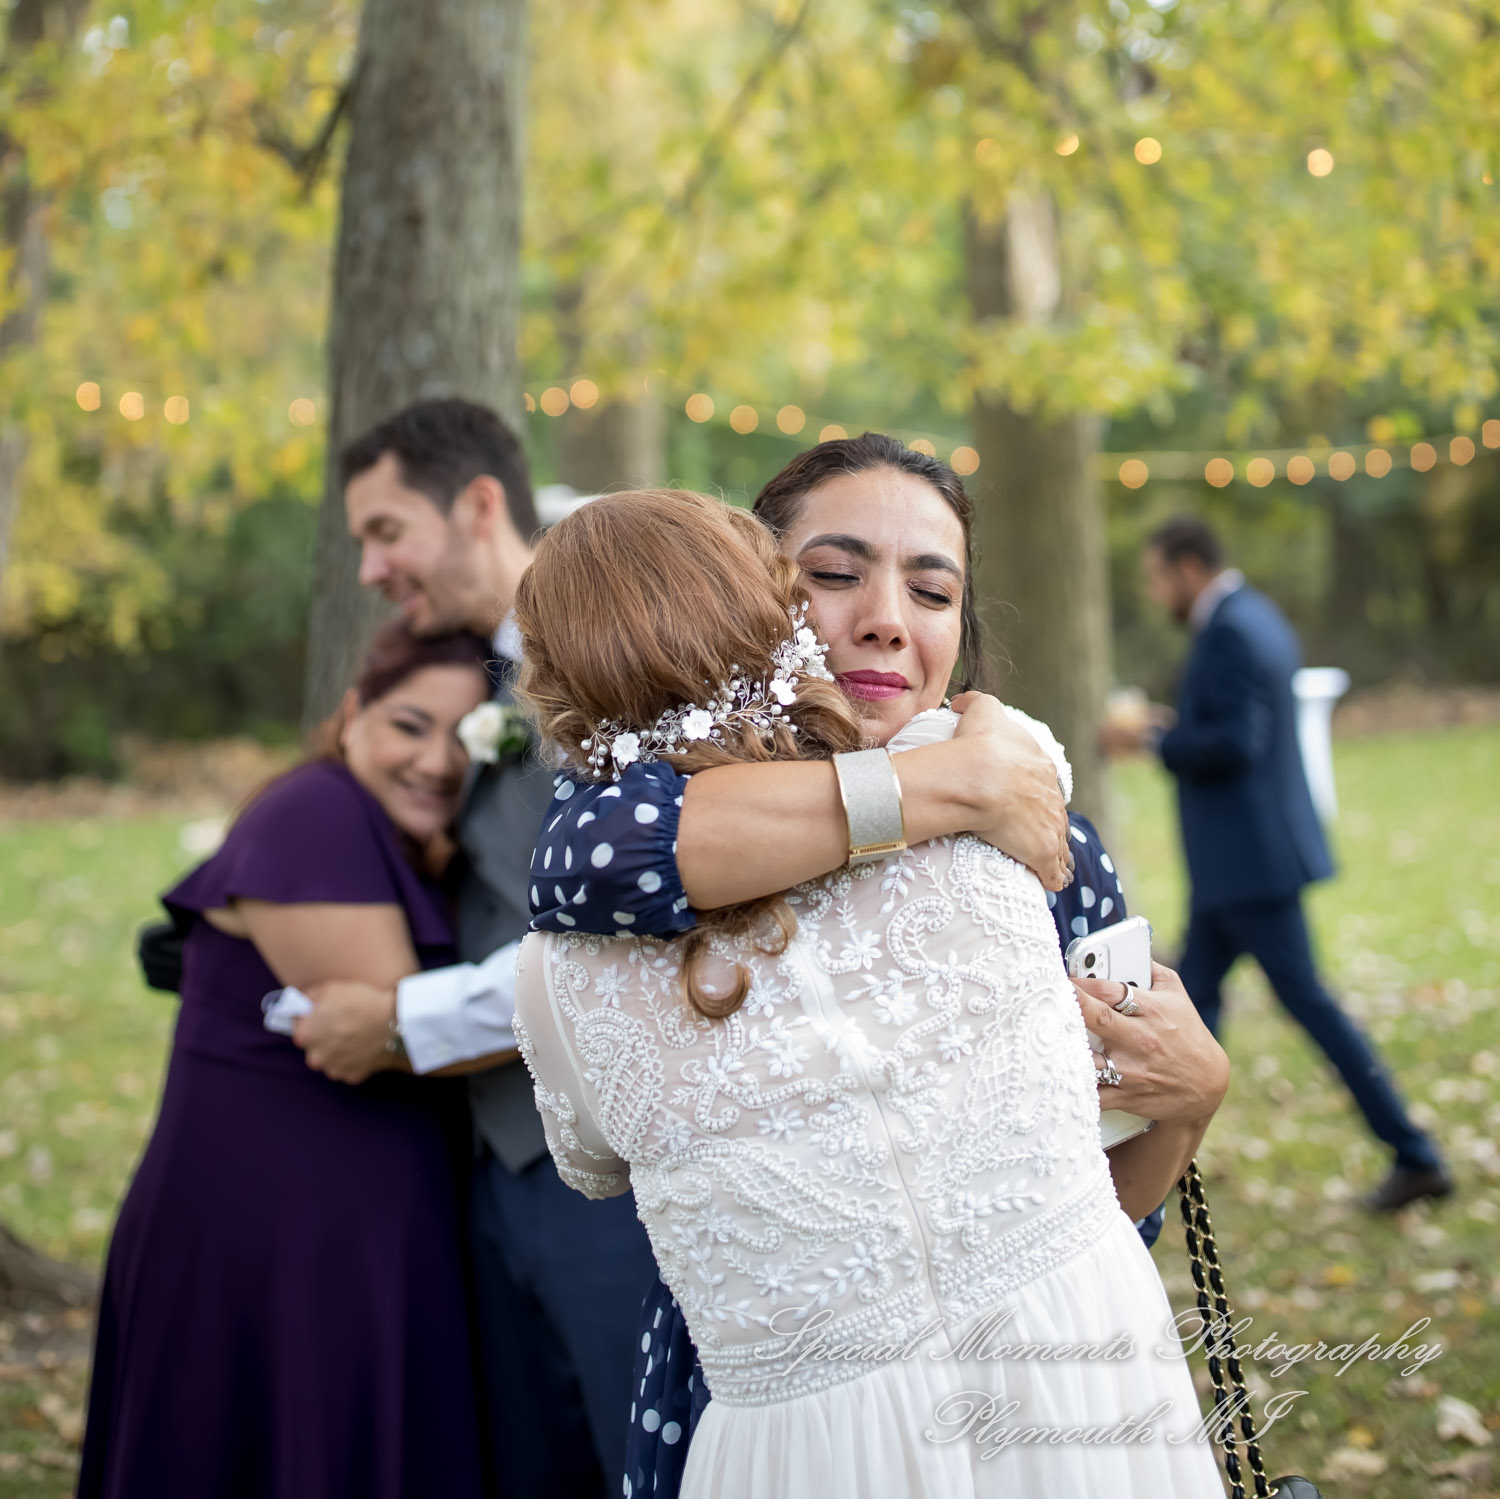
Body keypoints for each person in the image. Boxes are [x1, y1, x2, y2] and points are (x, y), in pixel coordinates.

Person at [525, 435, 1229, 1496]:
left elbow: (1102, 1204)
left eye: (932, 589)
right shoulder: (620, 832)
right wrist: (959, 779)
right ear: (746, 601)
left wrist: (1189, 1101)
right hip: (772, 1406)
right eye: (834, 574)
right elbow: (583, 860)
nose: (887, 617)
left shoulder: (1039, 835)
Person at [287, 398, 658, 1497]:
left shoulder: (613, 654)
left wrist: (402, 1023)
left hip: (619, 1175)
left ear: (480, 503)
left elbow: (621, 934)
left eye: (386, 529)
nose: (369, 566)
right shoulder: (474, 672)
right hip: (494, 1170)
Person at [80, 623, 492, 1499]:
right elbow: (417, 1034)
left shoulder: (415, 841)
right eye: (408, 725)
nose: (437, 760)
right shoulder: (313, 814)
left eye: (465, 735)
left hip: (356, 1234)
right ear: (350, 717)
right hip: (275, 1243)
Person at [1102, 515, 1452, 1213]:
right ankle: (1155, 1158)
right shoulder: (1254, 615)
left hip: (1250, 870)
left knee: (1309, 1007)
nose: (1153, 589)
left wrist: (1154, 738)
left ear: (1187, 567)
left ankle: (1416, 1154)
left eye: (1156, 574)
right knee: (1190, 1006)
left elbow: (1236, 741)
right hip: (1237, 868)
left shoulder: (1230, 629)